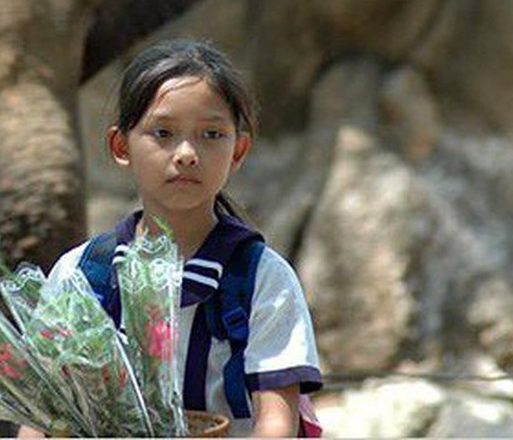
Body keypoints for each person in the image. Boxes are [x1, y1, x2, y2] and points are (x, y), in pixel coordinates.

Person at [19, 38, 322, 438]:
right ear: (121, 146)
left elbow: (276, 423)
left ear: (239, 150)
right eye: (163, 132)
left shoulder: (262, 278)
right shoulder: (82, 274)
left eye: (211, 134)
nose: (186, 153)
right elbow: (41, 419)